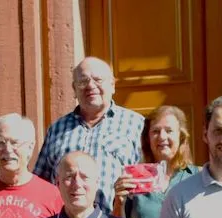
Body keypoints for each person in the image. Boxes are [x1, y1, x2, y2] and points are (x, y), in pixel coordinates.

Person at [33, 56, 145, 209]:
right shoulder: (57, 129)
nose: (91, 86)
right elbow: (40, 183)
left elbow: (151, 181)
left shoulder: (136, 124)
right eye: (83, 81)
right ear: (74, 88)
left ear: (112, 85)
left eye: (98, 79)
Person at [111, 105, 199, 218]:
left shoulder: (196, 178)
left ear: (181, 136)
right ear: (147, 139)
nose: (162, 137)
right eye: (156, 131)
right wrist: (119, 202)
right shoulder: (134, 178)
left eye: (169, 130)